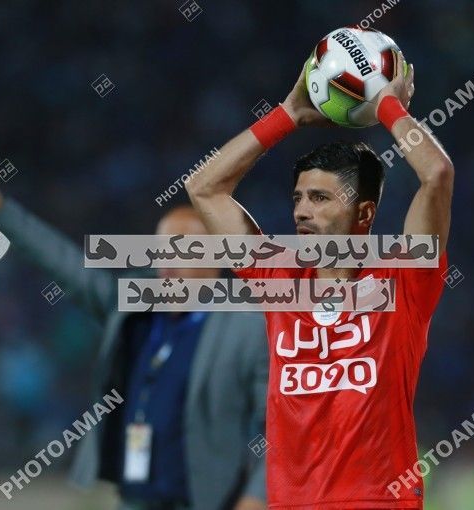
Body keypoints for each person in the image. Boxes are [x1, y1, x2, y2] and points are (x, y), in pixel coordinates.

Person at [185, 49, 453, 510]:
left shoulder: (404, 279)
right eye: (298, 198)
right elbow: (203, 187)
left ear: (364, 213)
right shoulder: (278, 277)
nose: (302, 212)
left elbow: (437, 174)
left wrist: (387, 104)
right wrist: (287, 115)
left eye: (320, 198)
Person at [0, 157, 269, 510]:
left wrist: (255, 497)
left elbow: (279, 427)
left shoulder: (247, 329)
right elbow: (67, 266)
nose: (167, 262)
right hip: (134, 499)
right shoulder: (137, 310)